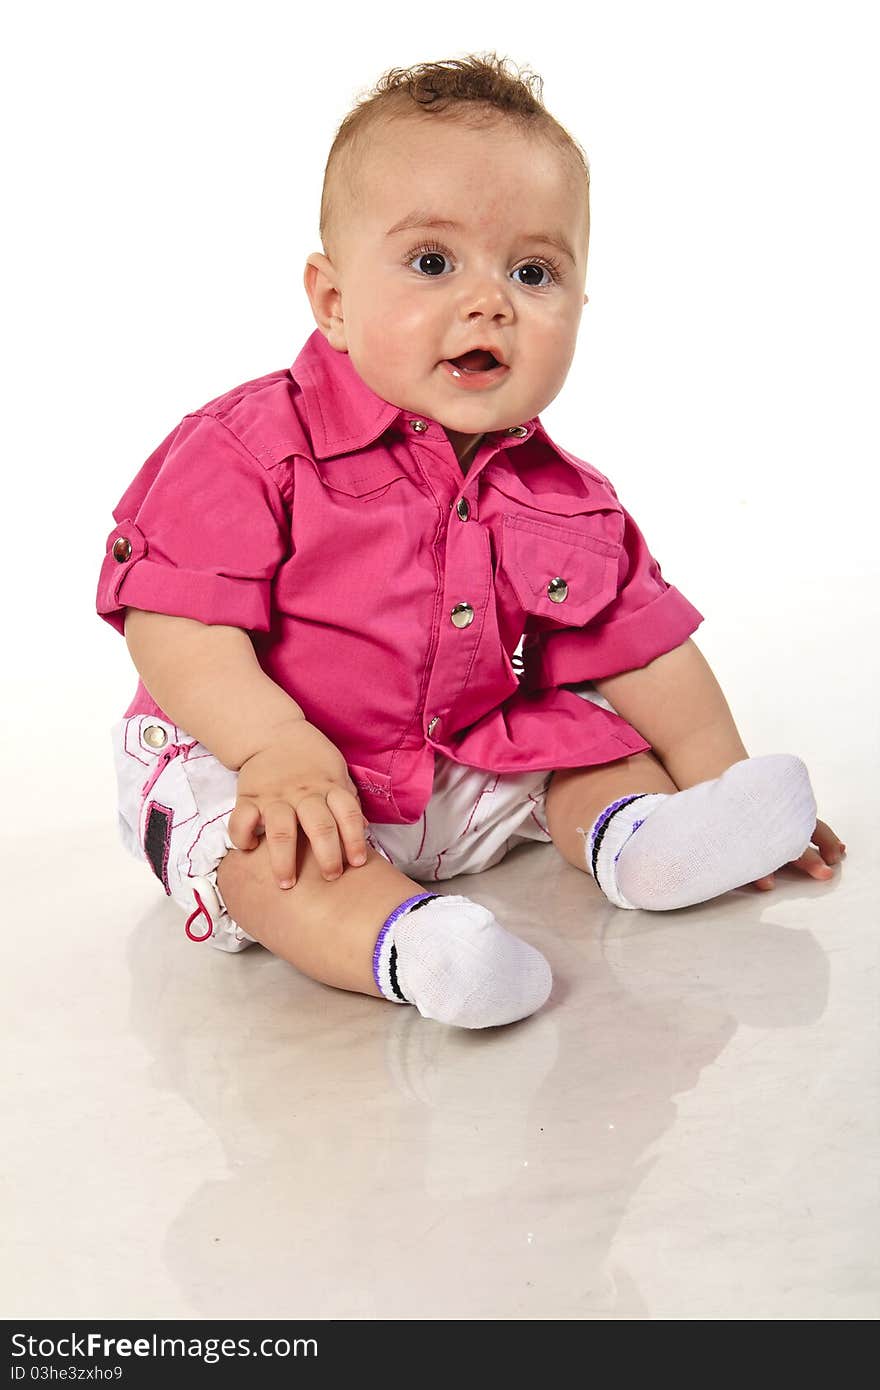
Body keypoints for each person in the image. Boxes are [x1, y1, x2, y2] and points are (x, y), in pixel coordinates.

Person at [97, 53, 845, 1030]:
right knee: (270, 860)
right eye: (432, 262)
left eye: (533, 272)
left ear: (580, 308)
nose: (489, 300)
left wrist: (724, 779)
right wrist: (275, 747)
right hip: (254, 755)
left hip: (455, 752)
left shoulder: (565, 499)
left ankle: (652, 838)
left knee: (591, 740)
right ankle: (410, 947)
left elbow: (646, 652)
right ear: (331, 299)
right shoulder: (247, 450)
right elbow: (175, 621)